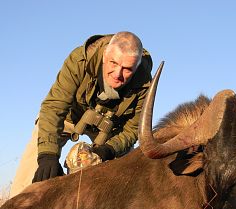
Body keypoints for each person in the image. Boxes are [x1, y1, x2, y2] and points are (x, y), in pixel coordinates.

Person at [10, 31, 153, 197]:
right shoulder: (80, 59)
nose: (117, 74)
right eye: (113, 63)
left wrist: (109, 150)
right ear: (105, 56)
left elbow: (132, 129)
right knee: (31, 168)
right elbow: (54, 106)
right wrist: (47, 155)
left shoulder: (144, 83)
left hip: (109, 130)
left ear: (136, 68)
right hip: (69, 117)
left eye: (127, 69)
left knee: (126, 180)